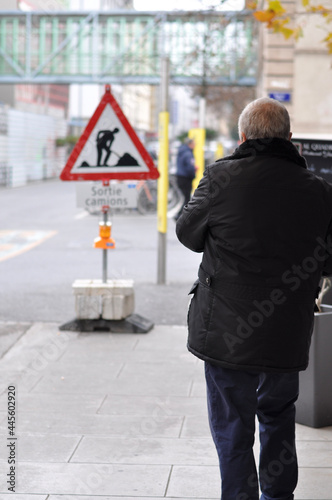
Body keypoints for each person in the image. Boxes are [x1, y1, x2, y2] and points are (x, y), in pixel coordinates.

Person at [176, 97, 332, 500]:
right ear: (290, 139)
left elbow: (188, 235)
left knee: (232, 424)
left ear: (242, 136)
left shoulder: (219, 178)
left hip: (225, 330)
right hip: (286, 331)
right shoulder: (318, 190)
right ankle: (279, 496)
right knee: (279, 415)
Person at [174, 137, 196, 220]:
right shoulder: (188, 154)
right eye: (194, 144)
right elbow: (190, 167)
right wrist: (193, 175)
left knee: (185, 198)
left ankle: (181, 215)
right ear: (190, 144)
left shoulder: (181, 152)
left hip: (180, 177)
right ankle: (180, 216)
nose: (195, 146)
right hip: (186, 178)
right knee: (187, 198)